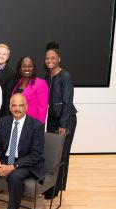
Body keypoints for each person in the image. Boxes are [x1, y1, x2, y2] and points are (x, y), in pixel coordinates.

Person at [43, 42, 78, 199]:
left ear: (59, 59)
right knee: (51, 152)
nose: (50, 60)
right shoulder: (47, 77)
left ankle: (57, 187)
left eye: (53, 58)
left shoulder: (65, 76)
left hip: (67, 119)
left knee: (62, 154)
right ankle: (49, 185)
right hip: (52, 119)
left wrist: (63, 125)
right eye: (47, 58)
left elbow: (67, 101)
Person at [12, 56, 48, 124]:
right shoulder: (18, 82)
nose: (27, 69)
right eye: (24, 66)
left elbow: (42, 109)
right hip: (17, 123)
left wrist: (39, 127)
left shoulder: (41, 83)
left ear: (33, 68)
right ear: (20, 68)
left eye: (30, 66)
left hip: (32, 124)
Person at [0, 43, 16, 117]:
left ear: (8, 57)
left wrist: (5, 117)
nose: (1, 56)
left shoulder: (11, 73)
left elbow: (8, 97)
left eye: (4, 54)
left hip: (2, 112)